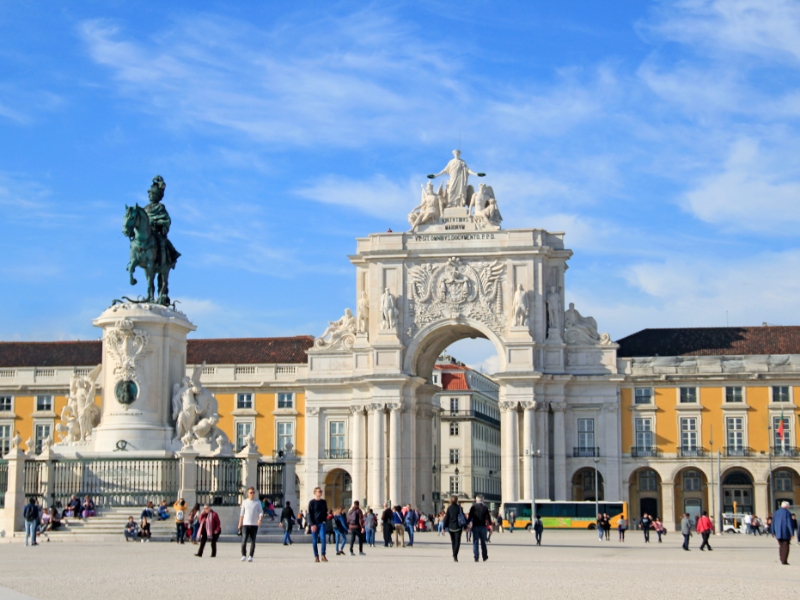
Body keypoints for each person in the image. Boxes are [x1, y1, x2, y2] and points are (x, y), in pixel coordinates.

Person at [238, 487, 263, 562]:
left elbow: (261, 512)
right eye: (251, 493)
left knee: (253, 541)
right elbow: (242, 514)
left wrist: (260, 519)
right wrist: (240, 523)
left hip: (254, 524)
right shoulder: (245, 502)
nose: (252, 494)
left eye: (253, 492)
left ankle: (251, 556)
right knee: (244, 540)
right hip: (245, 524)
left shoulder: (257, 502)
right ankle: (243, 555)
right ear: (247, 494)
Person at [467, 494, 490, 562]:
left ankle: (476, 557)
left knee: (475, 542)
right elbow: (488, 518)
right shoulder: (485, 508)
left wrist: (467, 524)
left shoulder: (473, 507)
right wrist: (490, 525)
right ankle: (484, 556)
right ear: (483, 500)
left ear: (476, 500)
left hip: (475, 526)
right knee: (483, 542)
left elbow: (470, 517)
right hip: (483, 526)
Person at [308, 486, 329, 563]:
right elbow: (310, 514)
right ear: (315, 493)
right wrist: (312, 524)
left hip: (322, 523)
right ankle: (316, 556)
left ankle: (323, 555)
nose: (320, 492)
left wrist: (325, 521)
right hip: (314, 524)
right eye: (319, 491)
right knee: (314, 541)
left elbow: (326, 511)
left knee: (323, 539)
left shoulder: (324, 502)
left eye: (321, 491)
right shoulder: (312, 502)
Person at [442, 496, 464, 562]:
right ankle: (455, 554)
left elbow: (446, 518)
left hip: (451, 526)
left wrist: (444, 527)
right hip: (458, 526)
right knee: (457, 542)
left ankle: (454, 554)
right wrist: (465, 526)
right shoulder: (459, 508)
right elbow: (462, 517)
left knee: (453, 541)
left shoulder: (449, 508)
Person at [773, 501, 794, 565]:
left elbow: (773, 523)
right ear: (787, 506)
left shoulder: (776, 512)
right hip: (785, 532)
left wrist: (773, 532)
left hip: (778, 532)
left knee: (781, 546)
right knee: (785, 546)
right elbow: (789, 524)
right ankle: (784, 560)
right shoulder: (787, 513)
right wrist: (792, 533)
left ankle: (781, 558)